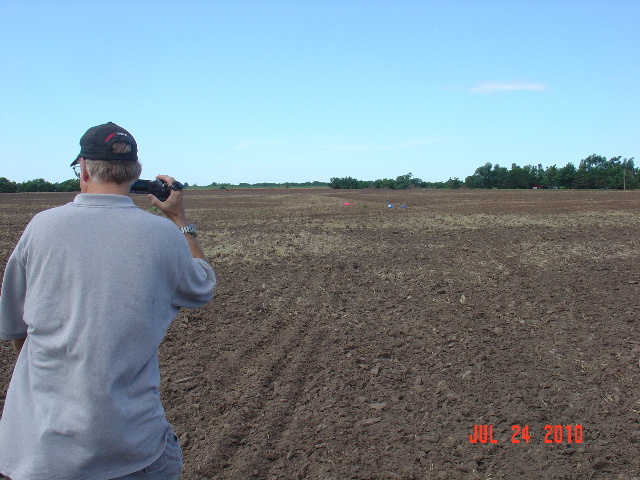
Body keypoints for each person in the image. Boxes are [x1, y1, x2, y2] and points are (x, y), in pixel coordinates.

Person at [0, 122, 216, 479]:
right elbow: (202, 286)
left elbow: (14, 326)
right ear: (137, 172)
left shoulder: (41, 226)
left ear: (84, 168)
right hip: (131, 447)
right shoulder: (163, 235)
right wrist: (180, 220)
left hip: (42, 453)